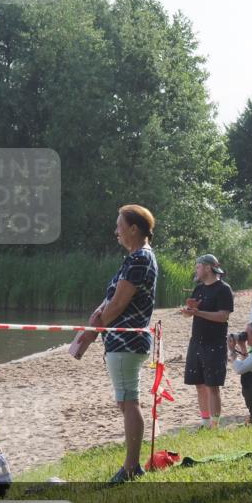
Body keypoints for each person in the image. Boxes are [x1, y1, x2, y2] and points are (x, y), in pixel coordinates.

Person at [98, 204, 158, 483]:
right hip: (126, 342)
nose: (116, 232)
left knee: (129, 402)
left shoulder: (139, 259)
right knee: (127, 400)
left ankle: (131, 467)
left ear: (134, 229)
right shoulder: (137, 258)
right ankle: (132, 465)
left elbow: (118, 304)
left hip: (127, 342)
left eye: (119, 226)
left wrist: (96, 325)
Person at [182, 254, 234, 429]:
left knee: (213, 386)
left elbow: (223, 316)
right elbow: (193, 312)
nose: (196, 270)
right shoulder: (199, 289)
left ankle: (215, 424)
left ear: (207, 268)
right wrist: (189, 311)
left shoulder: (223, 289)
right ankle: (205, 423)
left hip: (215, 343)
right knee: (199, 384)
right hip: (196, 341)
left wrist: (198, 313)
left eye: (198, 267)